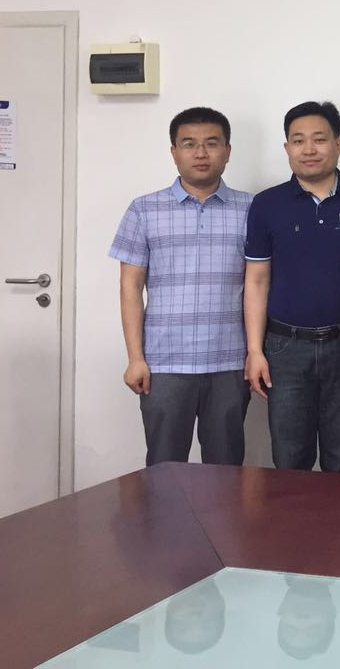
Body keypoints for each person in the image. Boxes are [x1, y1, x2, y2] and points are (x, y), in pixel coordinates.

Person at [109, 107, 252, 466]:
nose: (201, 153)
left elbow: (261, 285)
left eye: (211, 144)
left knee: (225, 469)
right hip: (164, 363)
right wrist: (136, 358)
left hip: (230, 361)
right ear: (174, 152)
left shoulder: (252, 209)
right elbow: (130, 288)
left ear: (227, 151)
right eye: (189, 144)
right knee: (164, 468)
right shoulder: (144, 210)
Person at [243, 100, 340, 473]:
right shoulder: (267, 204)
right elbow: (256, 280)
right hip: (285, 348)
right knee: (289, 457)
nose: (309, 149)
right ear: (287, 148)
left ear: (338, 144)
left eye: (319, 138)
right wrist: (255, 350)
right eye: (298, 141)